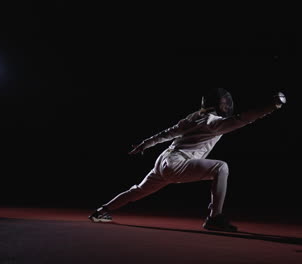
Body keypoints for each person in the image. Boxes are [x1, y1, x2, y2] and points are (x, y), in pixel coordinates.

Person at [89, 88, 286, 232]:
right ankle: (214, 218)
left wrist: (145, 144)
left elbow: (167, 133)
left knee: (139, 190)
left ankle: (101, 211)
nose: (227, 105)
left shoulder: (193, 118)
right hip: (177, 163)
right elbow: (243, 119)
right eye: (224, 103)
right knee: (221, 167)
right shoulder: (213, 123)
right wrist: (271, 106)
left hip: (164, 161)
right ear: (218, 105)